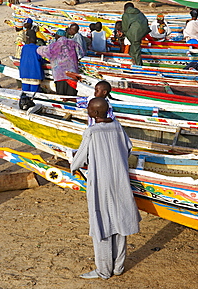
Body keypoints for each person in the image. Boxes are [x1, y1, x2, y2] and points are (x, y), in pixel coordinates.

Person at [71, 97, 141, 280]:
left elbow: (79, 160)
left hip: (101, 183)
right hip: (120, 181)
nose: (87, 111)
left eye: (88, 109)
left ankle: (103, 270)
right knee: (120, 221)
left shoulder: (92, 132)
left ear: (94, 113)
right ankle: (118, 266)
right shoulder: (118, 127)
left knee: (101, 224)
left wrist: (72, 165)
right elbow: (128, 149)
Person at [37, 29, 83, 95]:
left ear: (57, 36)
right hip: (72, 75)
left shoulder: (53, 46)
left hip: (59, 75)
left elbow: (41, 51)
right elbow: (81, 54)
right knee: (72, 97)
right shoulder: (74, 43)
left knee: (61, 97)